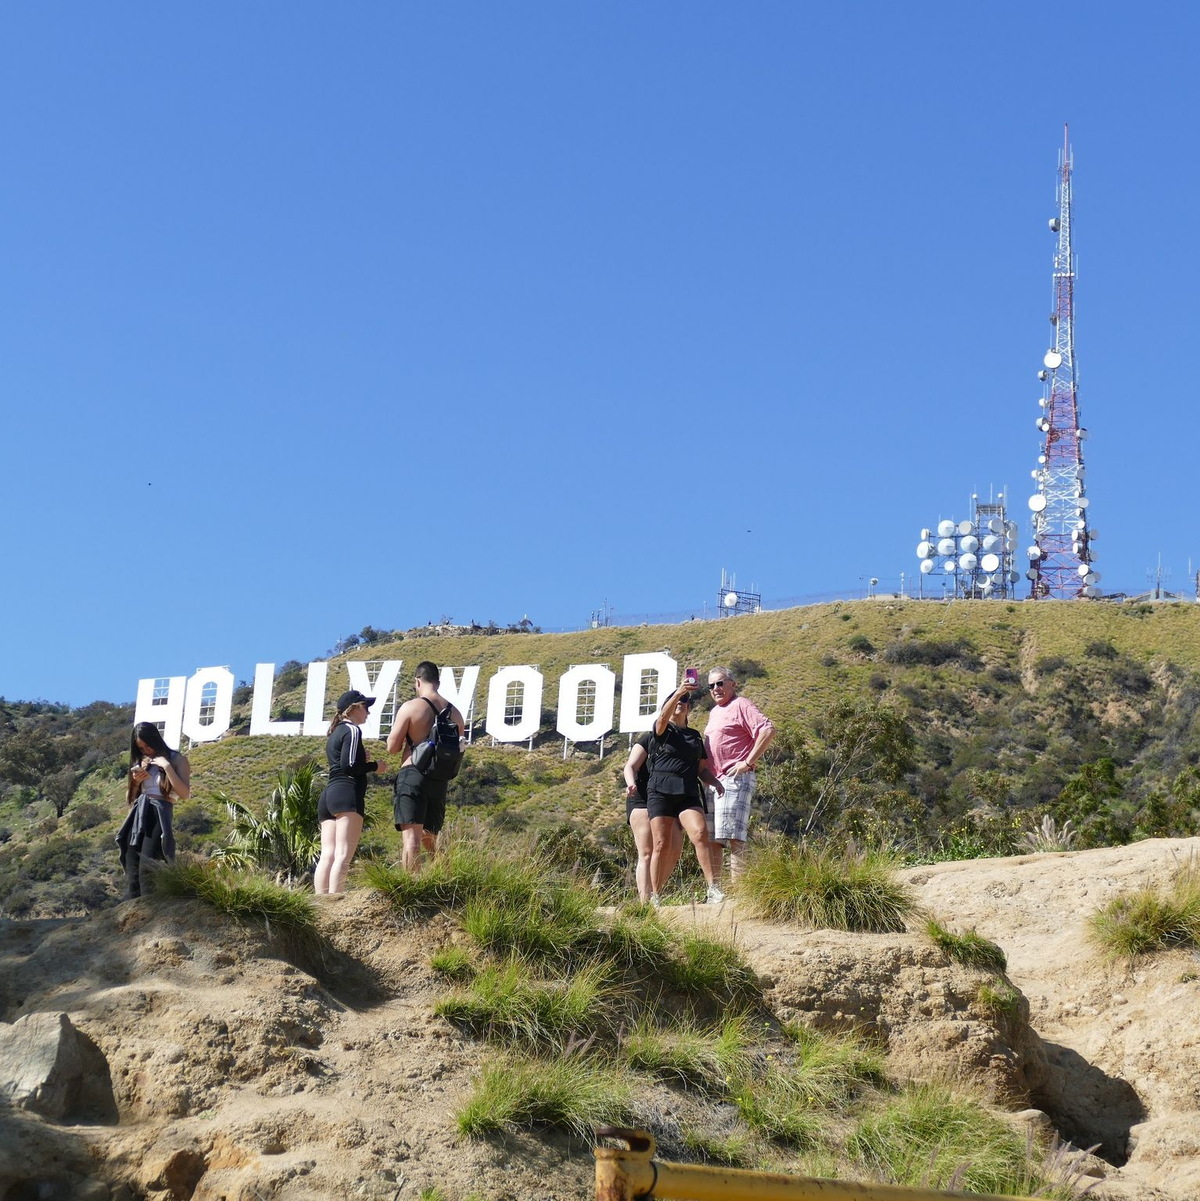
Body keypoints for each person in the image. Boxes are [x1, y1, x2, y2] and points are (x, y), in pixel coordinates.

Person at [645, 681, 725, 906]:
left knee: (700, 833)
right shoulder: (662, 730)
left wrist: (714, 781)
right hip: (660, 791)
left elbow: (700, 768)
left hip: (688, 791)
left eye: (684, 702)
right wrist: (680, 691)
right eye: (676, 701)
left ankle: (712, 888)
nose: (681, 704)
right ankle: (656, 895)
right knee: (661, 843)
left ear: (689, 709)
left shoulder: (693, 736)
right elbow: (661, 719)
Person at [386, 662, 465, 874]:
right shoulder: (456, 714)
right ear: (438, 683)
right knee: (432, 841)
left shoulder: (412, 707)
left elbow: (392, 748)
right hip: (439, 779)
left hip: (413, 774)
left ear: (418, 681)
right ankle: (445, 881)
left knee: (411, 839)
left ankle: (413, 889)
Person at [703, 666, 776, 884]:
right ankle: (715, 891)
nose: (716, 688)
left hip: (734, 778)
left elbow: (767, 729)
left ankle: (740, 892)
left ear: (732, 684)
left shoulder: (741, 704)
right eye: (711, 685)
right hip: (714, 782)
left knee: (735, 836)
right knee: (714, 839)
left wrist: (747, 762)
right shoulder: (714, 712)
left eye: (720, 683)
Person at [314, 690, 385, 895]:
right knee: (343, 854)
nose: (368, 713)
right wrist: (374, 766)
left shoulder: (335, 732)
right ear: (354, 708)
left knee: (327, 855)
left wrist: (362, 760)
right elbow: (350, 766)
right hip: (347, 793)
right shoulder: (352, 730)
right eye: (366, 708)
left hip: (328, 796)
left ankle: (320, 903)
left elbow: (343, 762)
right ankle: (336, 901)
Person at [118, 721, 191, 899]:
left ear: (155, 740)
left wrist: (166, 767)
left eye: (147, 745)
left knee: (148, 866)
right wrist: (136, 781)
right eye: (141, 748)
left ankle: (150, 908)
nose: (146, 750)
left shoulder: (176, 759)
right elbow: (130, 799)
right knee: (131, 863)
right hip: (138, 812)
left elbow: (184, 794)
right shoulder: (141, 761)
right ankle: (131, 912)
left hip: (159, 811)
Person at [622, 732, 682, 902]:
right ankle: (644, 903)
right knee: (646, 852)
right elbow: (630, 766)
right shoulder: (649, 739)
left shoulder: (685, 740)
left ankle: (656, 893)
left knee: (674, 848)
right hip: (642, 798)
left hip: (669, 799)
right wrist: (631, 783)